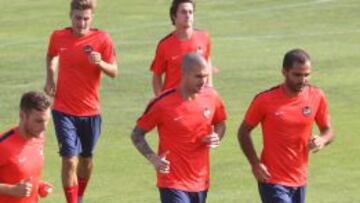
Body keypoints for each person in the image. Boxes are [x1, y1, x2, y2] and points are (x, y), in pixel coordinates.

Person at [43, 0, 118, 202]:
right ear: (70, 15)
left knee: (86, 160)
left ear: (91, 17)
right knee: (69, 160)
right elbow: (51, 56)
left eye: (85, 19)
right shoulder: (58, 36)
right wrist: (50, 76)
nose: (81, 23)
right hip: (63, 110)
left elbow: (114, 71)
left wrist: (100, 62)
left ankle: (81, 196)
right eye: (78, 18)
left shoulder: (102, 39)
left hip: (91, 112)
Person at [237, 49, 335, 203]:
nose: (303, 79)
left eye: (306, 74)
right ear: (284, 72)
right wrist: (255, 163)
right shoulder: (264, 100)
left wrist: (322, 140)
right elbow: (243, 131)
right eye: (297, 75)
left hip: (299, 179)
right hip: (271, 179)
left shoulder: (317, 96)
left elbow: (329, 130)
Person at [131, 53, 227, 203]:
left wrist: (217, 137)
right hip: (172, 181)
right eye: (198, 76)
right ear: (184, 74)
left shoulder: (212, 97)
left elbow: (220, 123)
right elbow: (137, 134)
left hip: (200, 180)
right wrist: (153, 158)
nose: (203, 81)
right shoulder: (162, 103)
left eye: (206, 76)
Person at [150, 0, 214, 96]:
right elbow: (157, 76)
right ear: (174, 16)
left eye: (190, 12)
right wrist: (161, 99)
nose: (188, 15)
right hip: (173, 103)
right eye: (183, 12)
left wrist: (209, 86)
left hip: (197, 99)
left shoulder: (204, 37)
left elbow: (207, 60)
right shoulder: (165, 45)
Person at [0, 91, 53, 203]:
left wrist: (38, 185)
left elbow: (21, 174)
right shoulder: (3, 145)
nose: (44, 128)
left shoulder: (39, 137)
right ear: (22, 115)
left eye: (47, 121)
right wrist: (11, 190)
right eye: (38, 121)